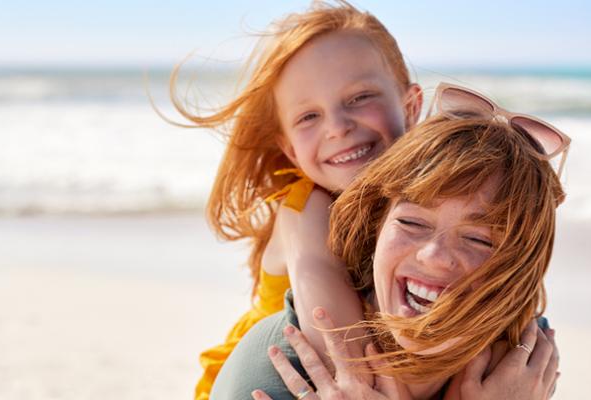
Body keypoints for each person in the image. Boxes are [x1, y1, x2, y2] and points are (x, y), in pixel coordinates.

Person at [211, 83, 570, 399]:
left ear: (522, 267)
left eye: (479, 239)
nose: (434, 255)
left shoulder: (518, 371)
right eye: (412, 222)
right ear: (377, 227)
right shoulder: (283, 375)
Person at [165, 2, 422, 398]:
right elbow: (345, 357)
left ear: (411, 106)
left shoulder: (431, 198)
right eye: (308, 117)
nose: (337, 127)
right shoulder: (305, 211)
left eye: (360, 97)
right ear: (289, 149)